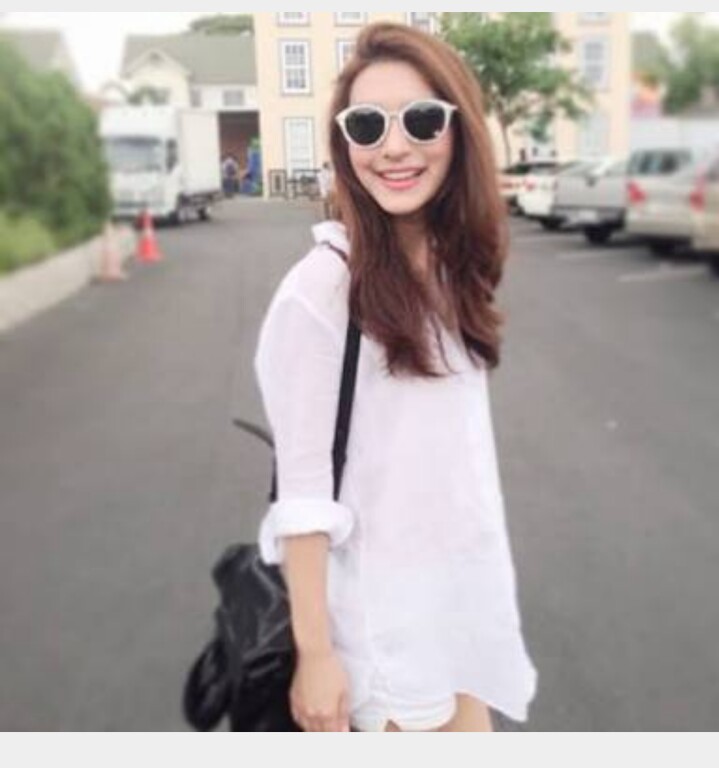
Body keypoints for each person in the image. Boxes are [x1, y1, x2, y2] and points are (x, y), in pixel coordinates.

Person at [253, 22, 538, 733]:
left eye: (420, 120)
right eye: (366, 125)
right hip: (384, 640)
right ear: (344, 145)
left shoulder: (448, 269)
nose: (394, 147)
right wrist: (316, 655)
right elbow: (303, 494)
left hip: (457, 616)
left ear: (458, 131)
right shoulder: (323, 288)